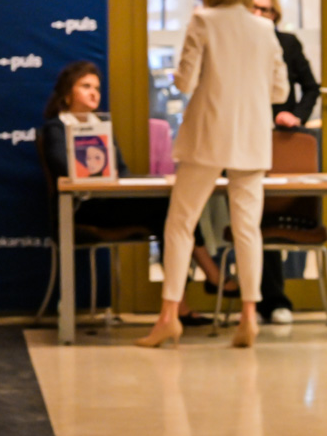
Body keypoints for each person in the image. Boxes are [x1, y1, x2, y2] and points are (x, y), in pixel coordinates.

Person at [137, 0, 289, 349]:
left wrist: (185, 75)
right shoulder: (264, 27)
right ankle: (249, 316)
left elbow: (185, 82)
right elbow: (280, 91)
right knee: (247, 227)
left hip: (207, 134)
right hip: (252, 137)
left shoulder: (202, 21)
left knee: (180, 223)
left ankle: (169, 316)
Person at [41, 61, 216, 326]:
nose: (93, 93)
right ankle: (208, 282)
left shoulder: (102, 124)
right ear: (67, 93)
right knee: (168, 213)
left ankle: (185, 300)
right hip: (80, 208)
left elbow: (121, 170)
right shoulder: (56, 128)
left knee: (172, 210)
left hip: (109, 202)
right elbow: (61, 168)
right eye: (86, 86)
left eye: (96, 88)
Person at [250, 0, 322, 324]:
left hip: (281, 140)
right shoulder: (239, 44)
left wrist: (296, 117)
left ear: (275, 15)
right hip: (245, 137)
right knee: (251, 218)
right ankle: (255, 298)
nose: (259, 14)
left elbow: (311, 88)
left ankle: (278, 297)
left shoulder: (288, 44)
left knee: (279, 214)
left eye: (265, 9)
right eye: (253, 8)